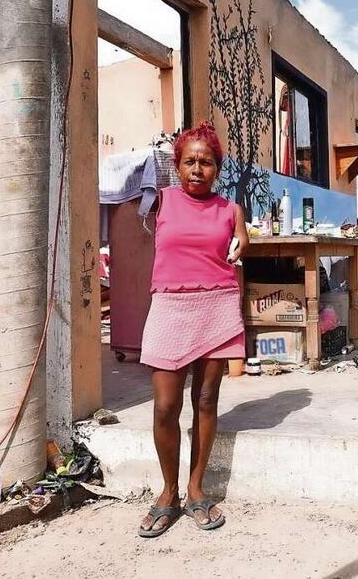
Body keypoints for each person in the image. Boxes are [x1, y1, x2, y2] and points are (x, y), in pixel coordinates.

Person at [137, 121, 248, 537]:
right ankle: (168, 492)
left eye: (206, 162)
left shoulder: (231, 209)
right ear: (177, 165)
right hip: (169, 306)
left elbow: (240, 242)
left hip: (216, 304)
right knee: (165, 406)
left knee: (205, 399)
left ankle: (196, 489)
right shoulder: (161, 200)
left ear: (217, 168)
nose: (197, 170)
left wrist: (244, 240)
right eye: (189, 162)